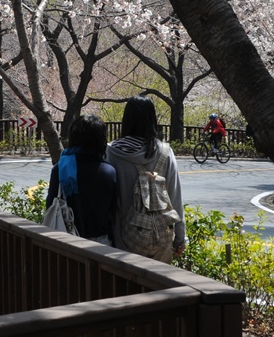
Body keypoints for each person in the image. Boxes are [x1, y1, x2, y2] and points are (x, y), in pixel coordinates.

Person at [106, 96, 186, 262]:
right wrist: (180, 238)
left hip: (123, 239)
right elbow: (175, 196)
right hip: (160, 238)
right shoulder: (165, 152)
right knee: (158, 284)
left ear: (126, 119)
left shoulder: (111, 152)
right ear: (152, 119)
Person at [45, 114, 118, 244]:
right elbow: (113, 212)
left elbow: (50, 205)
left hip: (66, 241)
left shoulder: (61, 169)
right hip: (100, 243)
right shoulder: (108, 172)